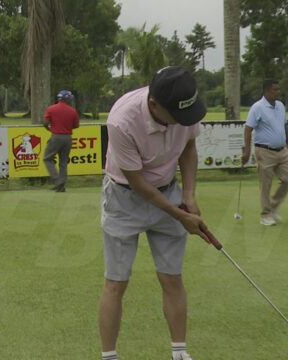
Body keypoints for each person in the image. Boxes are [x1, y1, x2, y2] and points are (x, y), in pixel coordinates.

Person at [99, 66, 210, 360]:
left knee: (171, 277)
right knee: (116, 282)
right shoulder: (122, 120)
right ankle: (109, 356)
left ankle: (179, 353)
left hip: (170, 190)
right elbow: (137, 183)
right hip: (124, 198)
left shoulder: (184, 110)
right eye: (177, 116)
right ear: (154, 105)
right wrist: (180, 215)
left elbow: (188, 146)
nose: (183, 122)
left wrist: (188, 195)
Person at [241, 79, 288, 226]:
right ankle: (265, 215)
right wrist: (247, 151)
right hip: (264, 151)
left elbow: (284, 126)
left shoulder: (281, 106)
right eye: (275, 90)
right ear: (266, 91)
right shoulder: (257, 107)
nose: (278, 92)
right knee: (266, 184)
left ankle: (273, 206)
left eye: (278, 89)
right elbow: (248, 129)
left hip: (281, 150)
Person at [43, 90, 79, 193]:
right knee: (63, 162)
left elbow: (45, 122)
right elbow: (76, 125)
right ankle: (61, 186)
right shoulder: (72, 110)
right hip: (67, 137)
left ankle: (56, 180)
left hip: (56, 136)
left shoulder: (51, 109)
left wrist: (50, 129)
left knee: (47, 158)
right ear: (66, 98)